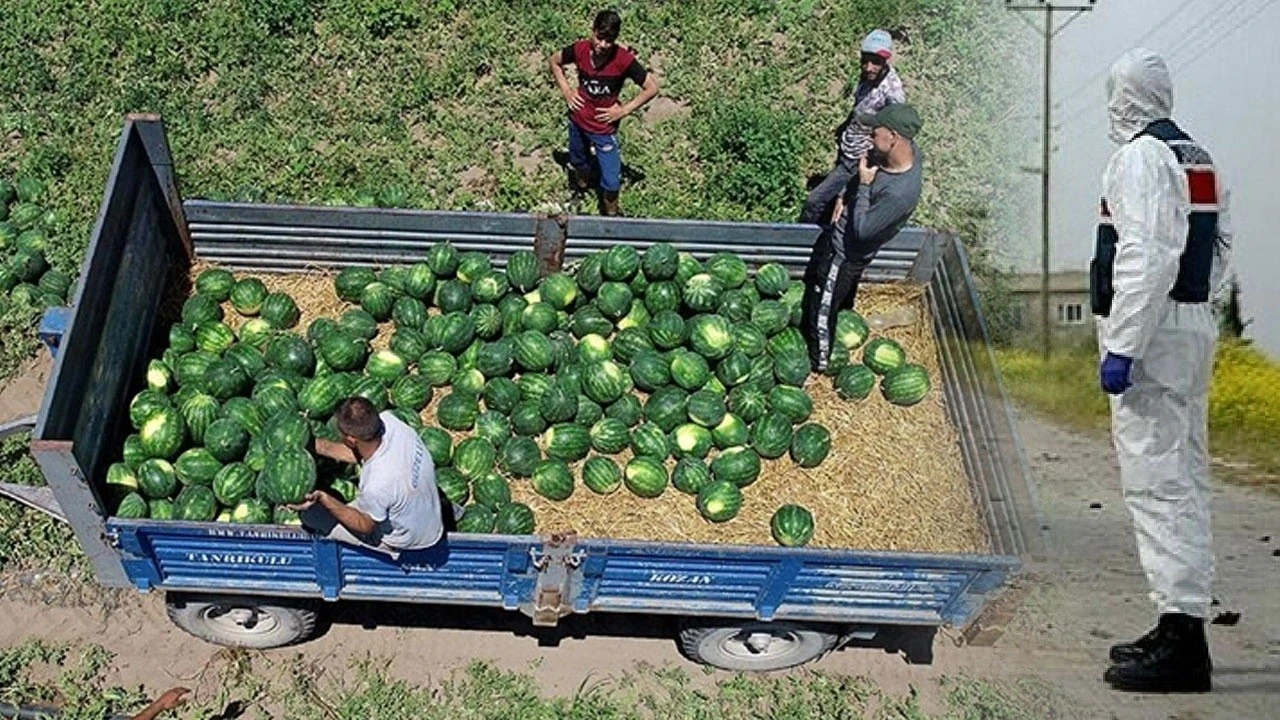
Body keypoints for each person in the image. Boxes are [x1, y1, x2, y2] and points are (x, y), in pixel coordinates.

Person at [1090, 48, 1232, 693]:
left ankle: (1182, 644)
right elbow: (1220, 250)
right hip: (1189, 324)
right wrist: (1195, 314)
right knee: (1184, 476)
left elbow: (1146, 255)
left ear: (1125, 96)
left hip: (1154, 333)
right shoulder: (1196, 155)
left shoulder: (1141, 157)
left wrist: (1123, 343)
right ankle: (1179, 617)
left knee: (1156, 482)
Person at [800, 103, 924, 372]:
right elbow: (864, 175)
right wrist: (846, 194)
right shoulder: (905, 153)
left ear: (893, 137)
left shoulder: (900, 194)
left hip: (845, 254)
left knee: (821, 306)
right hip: (849, 244)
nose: (870, 137)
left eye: (875, 132)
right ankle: (845, 311)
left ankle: (818, 361)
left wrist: (865, 185)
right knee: (840, 295)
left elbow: (862, 230)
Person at [290, 397, 450, 559]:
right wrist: (317, 445)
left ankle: (389, 551)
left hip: (411, 541)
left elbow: (364, 526)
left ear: (351, 440)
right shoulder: (392, 422)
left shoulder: (376, 484)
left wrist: (324, 498)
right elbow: (362, 453)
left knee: (312, 516)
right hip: (429, 511)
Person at [550, 9, 660, 216]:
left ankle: (612, 217)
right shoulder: (580, 49)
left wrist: (624, 110)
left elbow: (652, 88)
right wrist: (566, 90)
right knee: (579, 163)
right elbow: (554, 61)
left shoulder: (623, 60)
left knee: (611, 182)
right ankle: (580, 192)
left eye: (608, 41)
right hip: (578, 120)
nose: (602, 45)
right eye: (599, 38)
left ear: (615, 40)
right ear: (592, 31)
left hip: (603, 127)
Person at [799, 28, 907, 225]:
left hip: (858, 158)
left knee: (814, 201)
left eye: (875, 62)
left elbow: (896, 138)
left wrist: (870, 163)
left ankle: (801, 240)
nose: (868, 67)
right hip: (849, 146)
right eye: (865, 60)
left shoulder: (893, 95)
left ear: (886, 61)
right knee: (838, 199)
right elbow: (862, 105)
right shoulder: (868, 75)